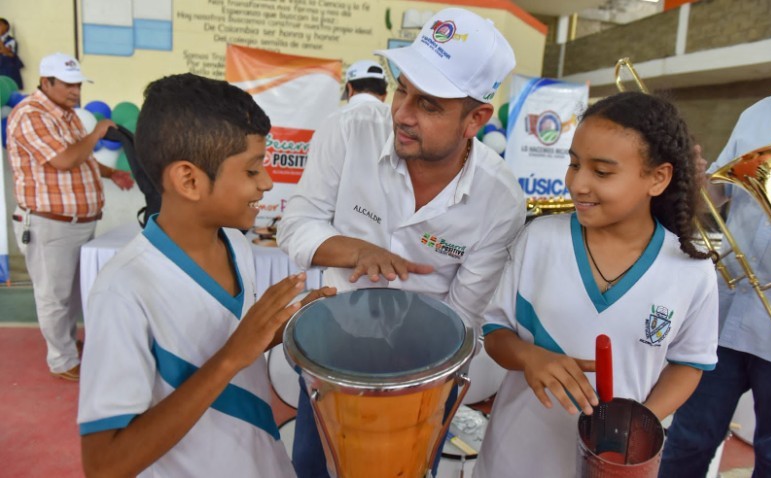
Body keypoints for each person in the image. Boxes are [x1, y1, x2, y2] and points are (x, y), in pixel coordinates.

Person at [277, 7, 526, 477]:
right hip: (331, 354)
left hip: (423, 376)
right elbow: (296, 225)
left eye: (429, 104)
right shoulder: (349, 131)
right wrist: (357, 251)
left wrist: (409, 384)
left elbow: (465, 317)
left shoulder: (500, 199)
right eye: (402, 89)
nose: (402, 114)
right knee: (313, 466)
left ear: (475, 119)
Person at [76, 73, 335, 477]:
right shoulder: (123, 291)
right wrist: (232, 356)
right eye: (252, 171)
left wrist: (277, 331)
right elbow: (104, 465)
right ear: (189, 180)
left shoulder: (237, 244)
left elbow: (235, 345)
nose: (267, 183)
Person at [474, 91, 720, 478]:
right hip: (516, 453)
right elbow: (494, 332)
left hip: (617, 465)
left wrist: (637, 423)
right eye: (574, 164)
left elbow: (689, 363)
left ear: (658, 178)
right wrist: (529, 357)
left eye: (602, 172)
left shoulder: (690, 271)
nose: (578, 184)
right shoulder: (540, 240)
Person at [660, 94, 771, 478]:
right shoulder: (757, 114)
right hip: (726, 312)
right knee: (689, 438)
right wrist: (697, 180)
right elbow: (718, 195)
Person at [7, 52, 134, 381]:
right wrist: (97, 133)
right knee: (54, 295)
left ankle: (65, 343)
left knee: (72, 292)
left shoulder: (67, 117)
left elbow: (83, 160)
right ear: (45, 82)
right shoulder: (30, 115)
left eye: (78, 85)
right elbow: (64, 160)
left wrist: (111, 173)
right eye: (67, 85)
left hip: (78, 223)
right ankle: (61, 360)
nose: (75, 92)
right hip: (50, 224)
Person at [0, 18, 24, 89]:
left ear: (6, 27)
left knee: (7, 89)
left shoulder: (11, 40)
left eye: (0, 25)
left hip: (7, 70)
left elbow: (7, 52)